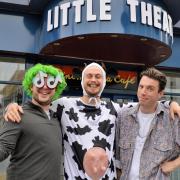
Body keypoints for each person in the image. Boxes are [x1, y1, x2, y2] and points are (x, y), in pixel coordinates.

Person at [4, 63, 180, 179]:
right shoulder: (63, 106)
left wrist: (169, 103)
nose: (93, 80)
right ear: (82, 81)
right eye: (89, 76)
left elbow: (144, 103)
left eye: (98, 76)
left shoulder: (115, 109)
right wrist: (11, 106)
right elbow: (38, 105)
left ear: (104, 82)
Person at [0, 64, 67, 180]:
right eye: (39, 82)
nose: (45, 87)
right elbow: (3, 148)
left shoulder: (58, 118)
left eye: (51, 83)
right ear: (31, 86)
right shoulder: (17, 114)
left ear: (56, 88)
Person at [116, 67, 180, 180]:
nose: (143, 92)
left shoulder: (172, 119)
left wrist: (174, 164)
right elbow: (117, 157)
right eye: (141, 87)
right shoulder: (123, 116)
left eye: (150, 88)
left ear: (160, 93)